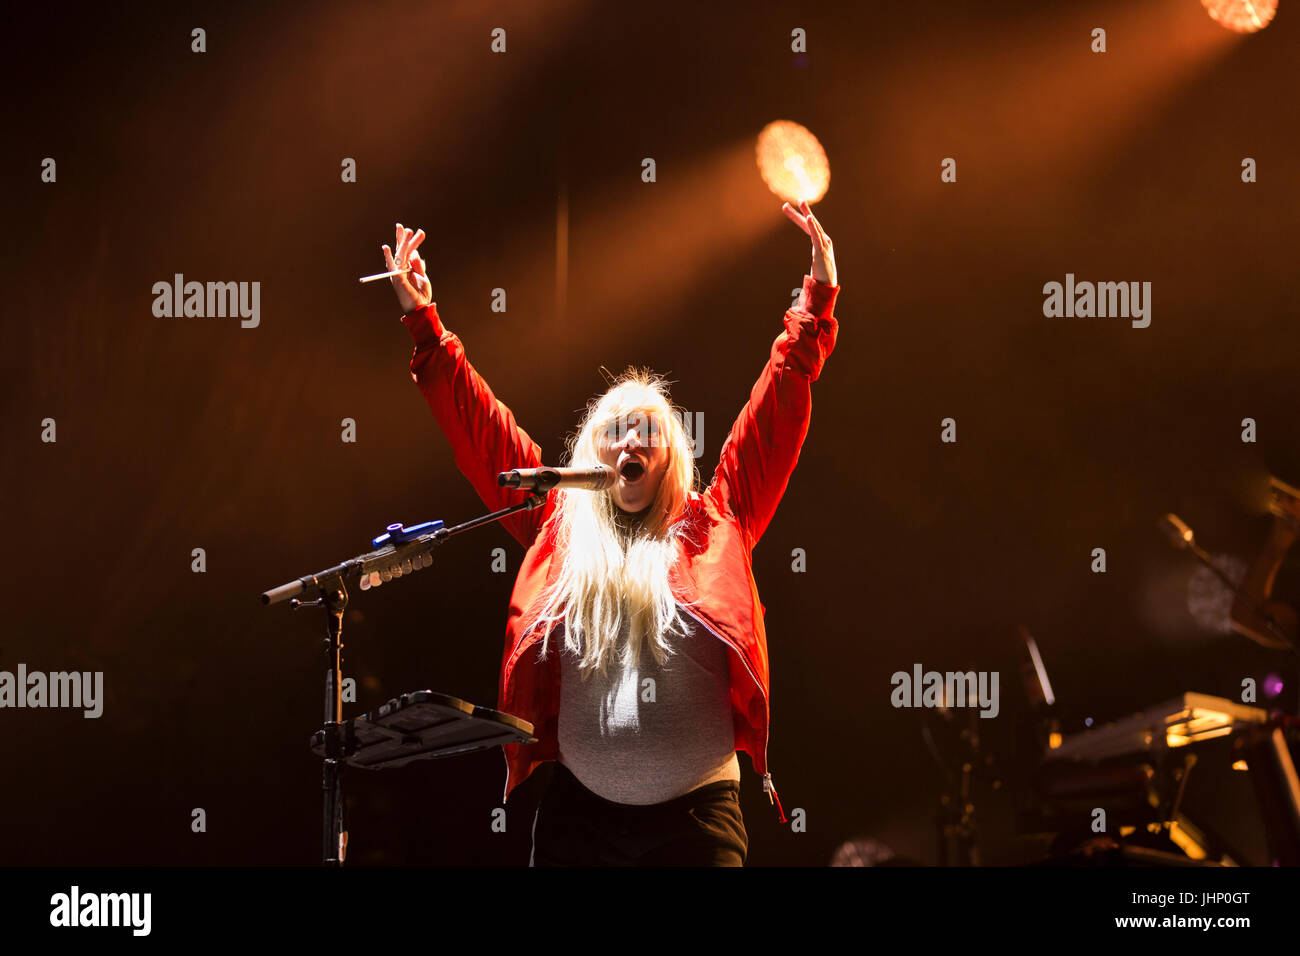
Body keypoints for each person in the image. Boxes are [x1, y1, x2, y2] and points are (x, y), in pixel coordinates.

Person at [382, 199, 839, 865]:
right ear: (592, 455)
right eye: (615, 428)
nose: (632, 436)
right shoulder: (556, 522)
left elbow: (781, 397)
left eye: (649, 428)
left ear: (669, 457)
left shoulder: (720, 520)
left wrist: (817, 299)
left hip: (697, 823)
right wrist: (425, 323)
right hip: (581, 821)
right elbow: (479, 432)